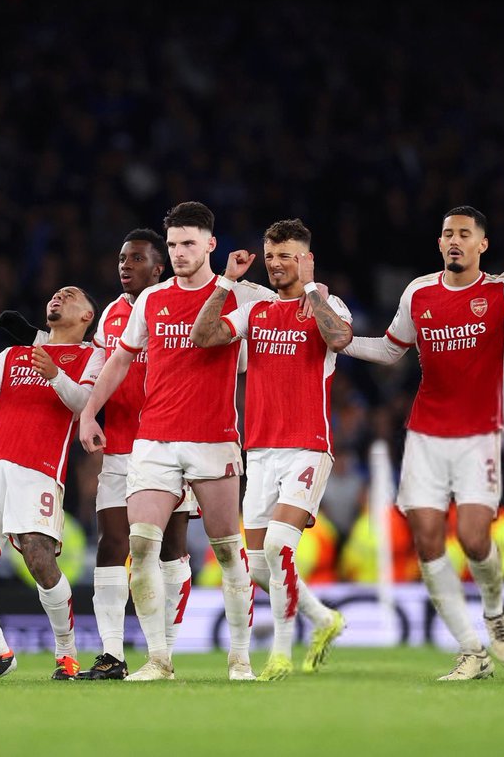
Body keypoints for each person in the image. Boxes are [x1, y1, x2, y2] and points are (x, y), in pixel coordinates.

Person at [339, 206, 504, 680]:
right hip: (426, 434)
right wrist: (341, 343)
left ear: (481, 245)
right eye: (448, 233)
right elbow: (391, 349)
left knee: (473, 539)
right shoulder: (419, 292)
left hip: (479, 436)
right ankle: (472, 651)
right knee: (427, 540)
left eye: (464, 234)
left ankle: (494, 610)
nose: (454, 240)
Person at [79, 201, 274, 681]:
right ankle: (159, 660)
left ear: (211, 244)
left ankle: (240, 658)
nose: (181, 252)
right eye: (174, 244)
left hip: (214, 440)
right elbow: (119, 362)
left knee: (229, 552)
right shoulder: (151, 300)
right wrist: (87, 412)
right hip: (155, 442)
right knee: (140, 548)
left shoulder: (241, 298)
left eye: (189, 243)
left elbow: (282, 333)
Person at [191, 218, 350, 681]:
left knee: (280, 545)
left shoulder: (327, 302)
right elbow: (204, 337)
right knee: (259, 567)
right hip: (259, 451)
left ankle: (280, 652)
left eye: (287, 255)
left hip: (308, 446)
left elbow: (339, 339)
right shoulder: (255, 310)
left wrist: (314, 293)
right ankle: (323, 618)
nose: (278, 264)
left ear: (306, 258)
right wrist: (226, 282)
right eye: (272, 255)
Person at [0, 287, 103, 681]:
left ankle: (66, 653)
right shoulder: (13, 354)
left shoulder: (91, 355)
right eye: (54, 294)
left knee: (38, 556)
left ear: (87, 316)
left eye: (69, 295)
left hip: (38, 468)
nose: (57, 297)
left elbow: (85, 404)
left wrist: (55, 373)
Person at [78, 230, 194, 681]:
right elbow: (102, 369)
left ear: (159, 267)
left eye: (137, 258)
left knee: (170, 549)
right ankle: (111, 655)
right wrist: (88, 411)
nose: (126, 265)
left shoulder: (178, 307)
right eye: (122, 258)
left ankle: (161, 650)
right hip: (120, 448)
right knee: (112, 544)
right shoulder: (111, 313)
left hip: (169, 446)